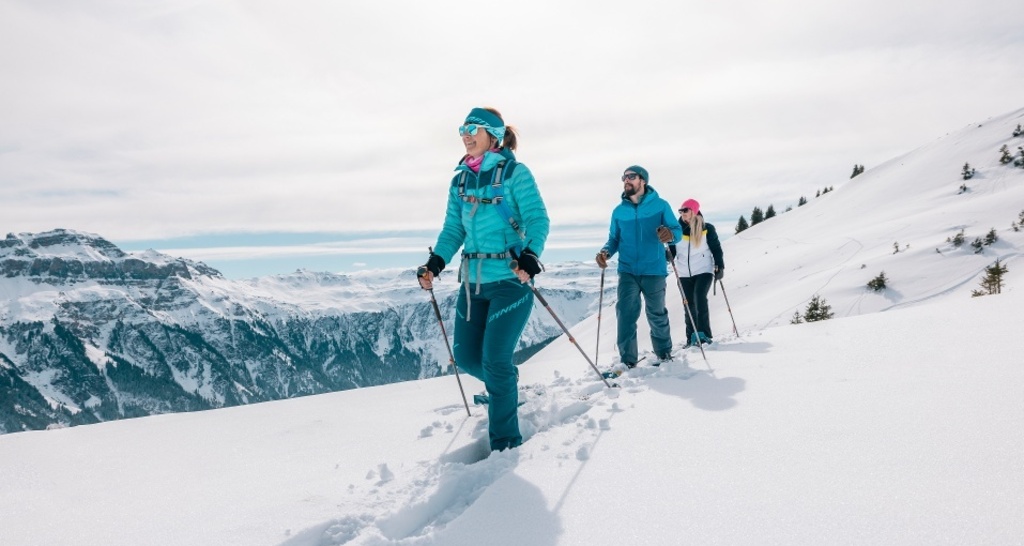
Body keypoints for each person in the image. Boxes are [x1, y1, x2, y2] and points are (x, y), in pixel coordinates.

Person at [417, 107, 549, 452]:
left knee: (495, 360)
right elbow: (453, 229)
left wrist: (531, 255)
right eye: (462, 129)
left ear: (494, 135)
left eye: (472, 128)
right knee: (466, 358)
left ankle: (505, 444)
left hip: (510, 280)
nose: (465, 134)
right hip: (471, 285)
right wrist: (435, 263)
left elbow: (537, 218)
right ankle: (506, 387)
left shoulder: (515, 173)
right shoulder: (459, 181)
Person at [596, 165, 681, 368]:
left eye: (631, 176)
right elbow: (614, 239)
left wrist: (670, 234)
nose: (626, 180)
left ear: (643, 180)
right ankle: (628, 361)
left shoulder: (660, 205)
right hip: (628, 270)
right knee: (625, 314)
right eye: (624, 177)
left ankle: (664, 354)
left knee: (656, 313)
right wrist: (605, 252)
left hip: (654, 269)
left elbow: (677, 231)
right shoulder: (619, 212)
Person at [669, 198, 725, 346]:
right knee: (688, 305)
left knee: (699, 298)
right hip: (683, 273)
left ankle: (704, 335)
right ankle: (691, 337)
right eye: (680, 211)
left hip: (703, 270)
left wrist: (720, 266)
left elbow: (716, 248)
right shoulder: (676, 231)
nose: (682, 213)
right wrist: (667, 255)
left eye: (685, 210)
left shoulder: (707, 228)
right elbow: (672, 252)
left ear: (694, 211)